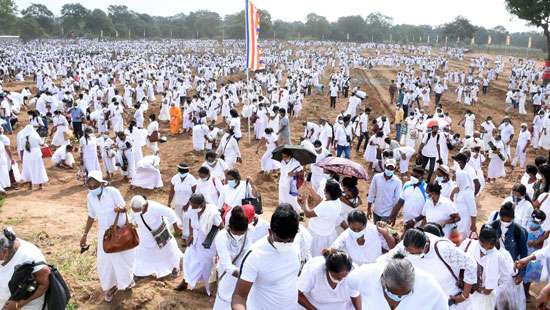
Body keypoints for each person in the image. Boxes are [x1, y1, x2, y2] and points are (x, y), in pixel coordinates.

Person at [381, 228, 477, 309]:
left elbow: (470, 263)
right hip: (428, 301)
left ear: (426, 246)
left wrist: (464, 295)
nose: (411, 255)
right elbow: (385, 259)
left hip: (452, 301)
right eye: (409, 252)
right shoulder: (406, 245)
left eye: (415, 253)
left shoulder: (443, 249)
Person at [231, 204, 301, 310]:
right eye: (280, 240)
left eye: (289, 241)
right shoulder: (255, 255)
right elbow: (239, 297)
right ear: (270, 232)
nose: (285, 244)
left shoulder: (297, 240)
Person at [80, 171, 135, 302]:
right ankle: (110, 287)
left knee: (121, 258)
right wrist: (85, 234)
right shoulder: (90, 197)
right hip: (104, 233)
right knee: (104, 262)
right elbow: (91, 216)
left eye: (95, 185)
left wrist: (119, 209)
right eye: (90, 187)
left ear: (102, 184)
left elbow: (125, 208)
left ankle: (126, 281)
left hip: (119, 231)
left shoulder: (112, 192)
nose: (93, 188)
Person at [347, 253, 448, 309]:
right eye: (392, 293)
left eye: (405, 294)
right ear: (382, 279)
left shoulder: (430, 287)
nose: (396, 299)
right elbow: (351, 287)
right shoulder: (364, 275)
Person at [177, 193, 222, 295]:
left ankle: (208, 289)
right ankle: (185, 282)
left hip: (208, 243)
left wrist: (221, 245)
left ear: (202, 204)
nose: (193, 208)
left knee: (205, 266)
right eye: (192, 206)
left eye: (195, 206)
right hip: (195, 240)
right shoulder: (192, 209)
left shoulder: (212, 213)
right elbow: (190, 221)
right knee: (188, 260)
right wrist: (190, 235)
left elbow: (221, 227)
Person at [130, 195, 183, 279]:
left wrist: (176, 227)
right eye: (134, 211)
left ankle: (175, 268)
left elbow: (170, 212)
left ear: (143, 206)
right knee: (142, 254)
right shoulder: (135, 209)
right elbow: (131, 217)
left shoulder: (155, 207)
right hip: (144, 237)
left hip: (159, 235)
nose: (136, 212)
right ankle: (141, 272)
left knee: (168, 252)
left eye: (137, 210)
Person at [0, 228, 50, 310]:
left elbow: (44, 285)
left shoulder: (30, 258)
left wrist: (18, 304)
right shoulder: (5, 245)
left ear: (5, 252)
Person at [213, 206, 252, 310]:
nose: (239, 235)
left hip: (245, 276)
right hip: (228, 275)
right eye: (236, 233)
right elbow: (227, 265)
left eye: (242, 233)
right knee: (225, 301)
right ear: (230, 227)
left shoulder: (250, 231)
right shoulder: (222, 237)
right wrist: (247, 276)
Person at [460, 225, 500, 309]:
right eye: (486, 246)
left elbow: (488, 289)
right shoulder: (467, 244)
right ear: (480, 241)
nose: (488, 249)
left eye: (491, 247)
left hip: (481, 296)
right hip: (462, 289)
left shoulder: (495, 256)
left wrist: (479, 290)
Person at [300, 180, 343, 257]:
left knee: (315, 257)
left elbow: (308, 214)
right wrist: (310, 189)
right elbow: (320, 200)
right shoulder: (336, 200)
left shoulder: (326, 206)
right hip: (328, 233)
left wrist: (305, 201)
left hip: (317, 235)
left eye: (325, 190)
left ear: (329, 193)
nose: (323, 190)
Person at [488, 202, 528, 281]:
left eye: (508, 221)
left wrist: (521, 273)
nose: (505, 222)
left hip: (510, 266)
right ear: (500, 216)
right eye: (503, 220)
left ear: (513, 218)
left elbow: (524, 253)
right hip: (492, 264)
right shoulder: (492, 227)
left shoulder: (518, 231)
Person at [167, 162, 197, 242]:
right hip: (178, 203)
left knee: (186, 219)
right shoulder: (175, 178)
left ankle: (185, 237)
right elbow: (172, 191)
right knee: (178, 218)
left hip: (189, 204)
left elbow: (195, 193)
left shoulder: (192, 179)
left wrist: (188, 204)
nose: (182, 173)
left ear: (187, 171)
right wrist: (169, 203)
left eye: (184, 171)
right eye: (181, 171)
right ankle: (179, 232)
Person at [17, 124, 48, 190]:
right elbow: (41, 143)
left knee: (28, 169)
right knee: (38, 168)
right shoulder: (35, 135)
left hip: (27, 154)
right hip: (36, 153)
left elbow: (21, 149)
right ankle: (40, 186)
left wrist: (22, 158)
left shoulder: (22, 137)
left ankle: (30, 186)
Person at [452, 169, 477, 238]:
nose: (455, 180)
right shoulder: (460, 190)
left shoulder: (468, 192)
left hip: (465, 221)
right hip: (459, 220)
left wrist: (473, 224)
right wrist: (453, 193)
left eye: (456, 178)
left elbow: (473, 210)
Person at [278, 149, 303, 214]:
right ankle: (282, 211)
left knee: (292, 199)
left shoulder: (296, 163)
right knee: (282, 198)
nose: (283, 158)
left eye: (285, 156)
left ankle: (298, 212)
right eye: (282, 156)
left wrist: (294, 174)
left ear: (289, 156)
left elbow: (302, 173)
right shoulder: (282, 162)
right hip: (282, 183)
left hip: (291, 184)